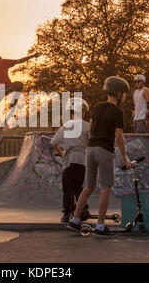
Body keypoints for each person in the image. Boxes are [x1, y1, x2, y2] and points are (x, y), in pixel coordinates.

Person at [68, 76, 132, 237]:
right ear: (118, 93)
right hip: (104, 150)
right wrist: (125, 159)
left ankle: (75, 221)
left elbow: (90, 129)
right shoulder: (117, 112)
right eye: (124, 93)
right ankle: (101, 226)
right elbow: (119, 136)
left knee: (88, 186)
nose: (124, 96)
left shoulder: (97, 107)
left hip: (90, 149)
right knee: (106, 187)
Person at [50, 97, 91, 223]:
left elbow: (54, 142)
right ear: (83, 112)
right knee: (79, 187)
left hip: (68, 161)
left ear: (71, 112)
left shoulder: (66, 126)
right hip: (82, 161)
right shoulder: (88, 126)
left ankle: (67, 214)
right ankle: (82, 210)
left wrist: (61, 152)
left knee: (68, 188)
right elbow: (92, 142)